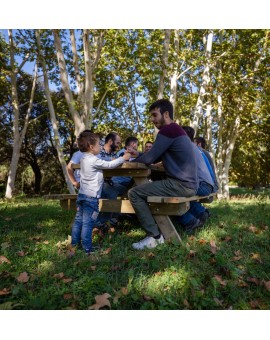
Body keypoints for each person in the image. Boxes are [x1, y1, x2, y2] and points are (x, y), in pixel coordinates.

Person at [127, 99, 199, 250]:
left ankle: (154, 237)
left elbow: (149, 158)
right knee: (142, 190)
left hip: (181, 185)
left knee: (134, 193)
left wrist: (127, 159)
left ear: (166, 114)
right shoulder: (177, 130)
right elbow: (156, 156)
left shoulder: (167, 131)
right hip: (190, 185)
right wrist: (138, 153)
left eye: (154, 115)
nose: (152, 120)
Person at [71, 131, 131, 255]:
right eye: (99, 144)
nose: (101, 146)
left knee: (78, 221)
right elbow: (109, 165)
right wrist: (122, 158)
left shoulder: (83, 159)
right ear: (92, 147)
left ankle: (75, 244)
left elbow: (105, 160)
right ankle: (87, 248)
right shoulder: (94, 160)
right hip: (91, 198)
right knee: (88, 222)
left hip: (82, 195)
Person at [177, 126, 214, 230]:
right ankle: (201, 213)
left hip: (202, 186)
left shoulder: (185, 147)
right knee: (179, 190)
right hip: (207, 185)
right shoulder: (194, 147)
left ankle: (189, 221)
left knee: (169, 192)